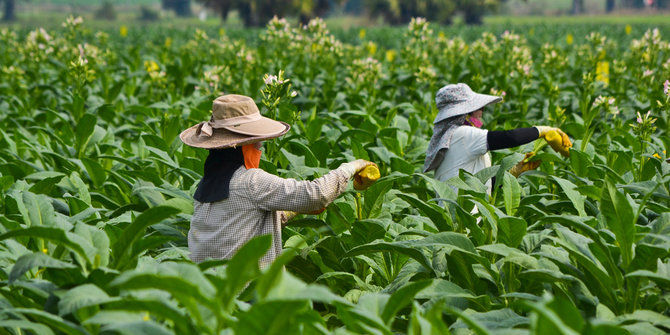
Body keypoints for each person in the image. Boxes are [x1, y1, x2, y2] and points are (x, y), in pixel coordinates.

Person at [180, 94, 376, 265]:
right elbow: (317, 194)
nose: (259, 150)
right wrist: (352, 167)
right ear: (241, 148)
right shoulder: (251, 181)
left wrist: (295, 208)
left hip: (208, 294)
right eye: (256, 145)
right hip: (247, 296)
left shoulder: (206, 186)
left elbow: (245, 220)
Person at [424, 83, 571, 192]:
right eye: (478, 108)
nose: (482, 112)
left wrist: (513, 172)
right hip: (462, 224)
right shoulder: (462, 135)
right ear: (464, 113)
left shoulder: (453, 138)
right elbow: (510, 138)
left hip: (465, 222)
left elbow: (482, 186)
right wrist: (543, 131)